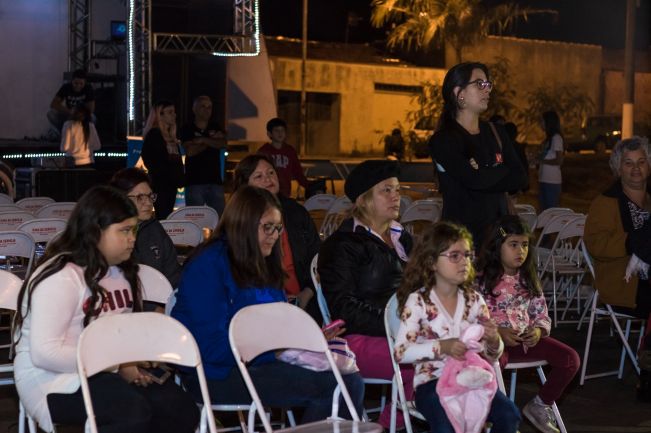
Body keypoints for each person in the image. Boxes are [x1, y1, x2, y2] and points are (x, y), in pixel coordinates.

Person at [12, 185, 199, 433]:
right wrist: (116, 364)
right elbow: (45, 354)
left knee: (180, 409)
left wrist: (130, 362)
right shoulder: (60, 277)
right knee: (131, 410)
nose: (132, 238)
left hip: (103, 368)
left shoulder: (122, 270)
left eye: (133, 229)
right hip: (50, 378)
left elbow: (118, 333)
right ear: (95, 231)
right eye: (124, 230)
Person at [170, 185, 364, 422]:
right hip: (215, 372)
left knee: (348, 380)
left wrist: (305, 340)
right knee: (337, 386)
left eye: (278, 228)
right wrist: (275, 350)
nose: (274, 235)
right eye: (267, 227)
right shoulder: (209, 264)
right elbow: (209, 346)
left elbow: (275, 327)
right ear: (243, 224)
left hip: (258, 362)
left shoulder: (262, 263)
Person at [394, 221, 520, 433]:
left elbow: (492, 355)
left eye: (468, 255)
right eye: (454, 256)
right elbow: (400, 352)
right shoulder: (418, 301)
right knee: (446, 425)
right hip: (431, 383)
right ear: (432, 262)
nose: (464, 262)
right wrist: (442, 347)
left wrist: (493, 340)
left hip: (471, 379)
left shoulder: (474, 300)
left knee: (509, 415)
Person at [318, 159, 413, 428]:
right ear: (363, 200)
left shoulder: (402, 238)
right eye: (386, 190)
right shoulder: (343, 244)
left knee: (468, 353)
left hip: (405, 333)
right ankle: (385, 426)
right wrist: (395, 325)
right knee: (430, 361)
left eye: (397, 190)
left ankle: (391, 422)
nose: (396, 196)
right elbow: (344, 309)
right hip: (359, 338)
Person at [478, 215, 579, 433]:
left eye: (524, 245)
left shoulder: (528, 278)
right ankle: (491, 415)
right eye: (513, 244)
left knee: (570, 359)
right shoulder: (482, 279)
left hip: (525, 342)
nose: (520, 251)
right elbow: (473, 317)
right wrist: (498, 332)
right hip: (495, 344)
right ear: (498, 246)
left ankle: (540, 405)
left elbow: (541, 313)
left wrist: (538, 331)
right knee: (489, 365)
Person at [428, 62, 526, 247]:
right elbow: (474, 180)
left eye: (488, 84)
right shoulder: (444, 140)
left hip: (498, 238)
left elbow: (520, 178)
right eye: (480, 84)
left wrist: (482, 172)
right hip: (460, 241)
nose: (487, 89)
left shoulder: (497, 132)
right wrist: (502, 170)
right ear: (459, 93)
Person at [233, 154, 320, 313]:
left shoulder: (296, 212)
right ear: (244, 185)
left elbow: (317, 256)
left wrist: (307, 293)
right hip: (258, 305)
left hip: (303, 300)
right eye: (259, 176)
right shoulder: (240, 219)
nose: (268, 179)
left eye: (271, 172)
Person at [584, 136, 651, 321]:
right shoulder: (606, 202)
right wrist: (631, 241)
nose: (636, 168)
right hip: (625, 285)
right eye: (628, 163)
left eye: (641, 162)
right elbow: (596, 244)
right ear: (618, 168)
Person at [110, 167, 181, 288]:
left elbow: (174, 276)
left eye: (150, 196)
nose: (148, 203)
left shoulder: (154, 228)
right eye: (140, 197)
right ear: (120, 199)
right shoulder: (108, 235)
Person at [179, 95, 227, 215]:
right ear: (194, 109)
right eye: (203, 106)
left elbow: (223, 144)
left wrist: (202, 140)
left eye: (209, 107)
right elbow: (190, 152)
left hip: (215, 181)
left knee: (220, 219)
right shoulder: (187, 128)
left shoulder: (215, 126)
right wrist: (211, 140)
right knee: (195, 219)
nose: (207, 110)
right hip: (194, 182)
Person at [141, 100, 184, 220]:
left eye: (174, 112)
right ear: (160, 115)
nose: (174, 115)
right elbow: (148, 158)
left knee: (167, 215)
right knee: (163, 215)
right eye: (170, 112)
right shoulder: (154, 135)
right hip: (161, 185)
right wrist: (162, 173)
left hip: (171, 185)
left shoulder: (170, 136)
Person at [258, 117, 309, 197]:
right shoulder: (264, 151)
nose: (280, 133)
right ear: (269, 134)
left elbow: (297, 172)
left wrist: (309, 186)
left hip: (285, 192)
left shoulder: (290, 151)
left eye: (282, 130)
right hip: (268, 193)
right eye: (276, 130)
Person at [538, 111, 564, 210]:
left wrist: (542, 161)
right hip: (544, 179)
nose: (540, 123)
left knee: (551, 212)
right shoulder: (549, 139)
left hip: (552, 181)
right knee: (544, 212)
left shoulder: (556, 138)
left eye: (542, 121)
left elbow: (559, 160)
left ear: (549, 122)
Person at [505, 122, 530, 193]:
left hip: (507, 182)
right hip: (515, 182)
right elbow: (524, 165)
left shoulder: (502, 147)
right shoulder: (518, 147)